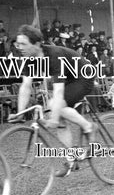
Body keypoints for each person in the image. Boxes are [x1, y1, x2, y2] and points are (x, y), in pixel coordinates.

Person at [11, 25, 96, 177]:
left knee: (53, 106)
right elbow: (25, 86)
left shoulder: (54, 55)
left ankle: (89, 127)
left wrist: (54, 119)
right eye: (18, 44)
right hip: (69, 80)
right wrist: (20, 113)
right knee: (60, 120)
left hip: (84, 77)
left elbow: (58, 91)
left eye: (24, 44)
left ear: (36, 44)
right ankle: (71, 162)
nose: (20, 48)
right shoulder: (29, 59)